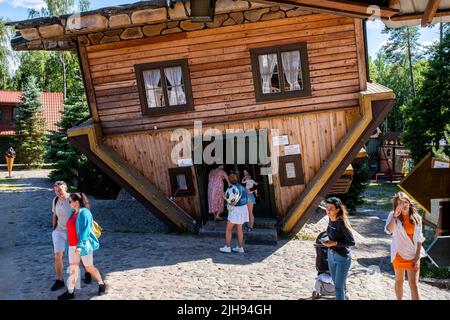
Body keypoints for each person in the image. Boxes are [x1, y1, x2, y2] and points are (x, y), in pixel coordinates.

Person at [57, 193, 106, 300]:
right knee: (73, 268)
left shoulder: (85, 213)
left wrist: (80, 245)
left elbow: (85, 231)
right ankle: (70, 292)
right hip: (72, 246)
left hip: (82, 246)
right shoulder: (72, 213)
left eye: (70, 201)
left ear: (76, 201)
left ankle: (101, 284)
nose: (69, 203)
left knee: (89, 267)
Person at [50, 181, 91, 292]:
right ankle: (59, 280)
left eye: (60, 190)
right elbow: (54, 215)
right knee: (58, 254)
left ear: (66, 188)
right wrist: (53, 229)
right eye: (56, 190)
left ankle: (87, 272)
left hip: (72, 232)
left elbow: (84, 210)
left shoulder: (73, 199)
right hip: (59, 231)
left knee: (78, 254)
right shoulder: (55, 200)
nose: (58, 192)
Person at [384, 192, 426, 300]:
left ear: (409, 202)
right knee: (399, 281)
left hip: (413, 254)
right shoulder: (393, 215)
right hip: (398, 253)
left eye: (405, 201)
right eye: (400, 203)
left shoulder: (417, 218)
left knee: (414, 285)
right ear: (396, 205)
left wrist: (417, 257)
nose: (403, 204)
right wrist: (395, 216)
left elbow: (419, 238)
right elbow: (389, 231)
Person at [321, 197, 355, 300]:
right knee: (338, 284)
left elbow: (352, 242)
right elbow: (332, 235)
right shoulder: (331, 220)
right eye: (327, 208)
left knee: (338, 288)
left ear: (338, 209)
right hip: (331, 255)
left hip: (342, 258)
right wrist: (325, 240)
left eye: (331, 208)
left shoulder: (342, 223)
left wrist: (334, 243)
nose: (328, 210)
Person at [220, 173, 249, 254]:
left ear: (229, 181)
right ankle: (240, 248)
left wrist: (223, 196)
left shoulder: (230, 189)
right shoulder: (242, 187)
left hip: (235, 210)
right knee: (239, 229)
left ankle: (228, 247)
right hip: (243, 209)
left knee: (229, 229)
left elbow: (230, 201)